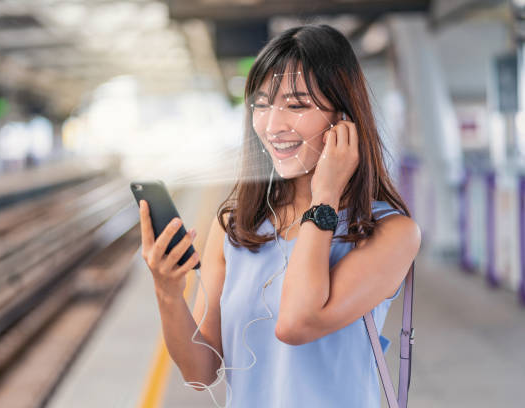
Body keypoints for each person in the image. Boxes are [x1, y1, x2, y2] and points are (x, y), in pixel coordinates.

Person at [139, 24, 421, 407]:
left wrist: (325, 196)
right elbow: (200, 372)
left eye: (297, 104)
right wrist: (167, 293)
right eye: (261, 104)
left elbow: (296, 322)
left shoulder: (390, 232)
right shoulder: (237, 229)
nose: (273, 126)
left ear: (344, 120)